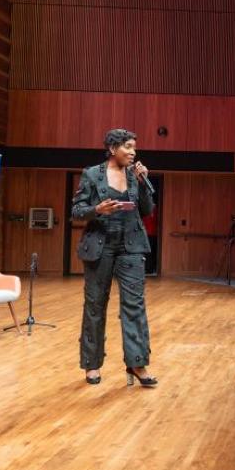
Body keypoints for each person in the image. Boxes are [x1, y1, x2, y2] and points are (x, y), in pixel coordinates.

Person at [71, 128, 157, 387]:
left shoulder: (135, 176)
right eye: (128, 147)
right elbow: (76, 211)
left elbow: (147, 210)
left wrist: (143, 184)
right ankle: (92, 364)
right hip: (100, 246)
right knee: (95, 306)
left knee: (135, 306)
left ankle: (137, 363)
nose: (133, 152)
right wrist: (97, 209)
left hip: (131, 247)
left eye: (134, 148)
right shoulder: (92, 174)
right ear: (112, 149)